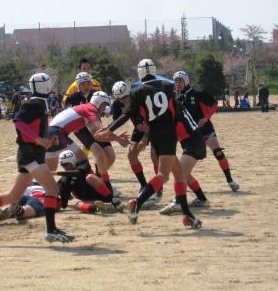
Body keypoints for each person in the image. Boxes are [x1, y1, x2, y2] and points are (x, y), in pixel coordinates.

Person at [0, 73, 75, 243]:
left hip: (31, 153)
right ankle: (51, 230)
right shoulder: (35, 102)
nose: (50, 85)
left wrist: (48, 140)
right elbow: (18, 122)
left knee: (13, 195)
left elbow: (33, 127)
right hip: (30, 154)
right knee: (52, 190)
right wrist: (38, 140)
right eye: (48, 83)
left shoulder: (39, 103)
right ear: (43, 85)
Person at [95, 59, 202, 229]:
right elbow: (176, 111)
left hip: (154, 132)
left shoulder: (137, 91)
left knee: (179, 172)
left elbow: (125, 114)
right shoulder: (167, 86)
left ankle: (187, 215)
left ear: (140, 73)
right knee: (164, 175)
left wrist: (108, 129)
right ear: (154, 70)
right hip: (167, 132)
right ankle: (137, 203)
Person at [172, 71, 240, 192]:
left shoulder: (197, 92)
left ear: (186, 81)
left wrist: (205, 118)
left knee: (218, 152)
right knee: (187, 163)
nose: (178, 84)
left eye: (180, 81)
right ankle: (186, 182)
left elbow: (214, 105)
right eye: (176, 81)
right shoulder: (176, 98)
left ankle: (230, 180)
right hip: (190, 135)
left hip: (205, 129)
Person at [159, 71, 211, 214]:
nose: (177, 84)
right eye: (175, 82)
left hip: (194, 142)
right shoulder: (176, 103)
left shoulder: (175, 107)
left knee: (179, 173)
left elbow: (177, 130)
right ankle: (201, 199)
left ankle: (178, 201)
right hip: (194, 142)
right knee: (185, 174)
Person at [56, 150, 122, 213]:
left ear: (73, 161)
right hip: (87, 199)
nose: (65, 167)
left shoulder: (84, 165)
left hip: (101, 193)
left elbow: (79, 173)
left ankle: (112, 200)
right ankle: (95, 208)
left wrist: (61, 174)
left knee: (90, 177)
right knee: (78, 203)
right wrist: (61, 195)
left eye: (67, 164)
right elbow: (64, 204)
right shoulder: (65, 179)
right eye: (63, 165)